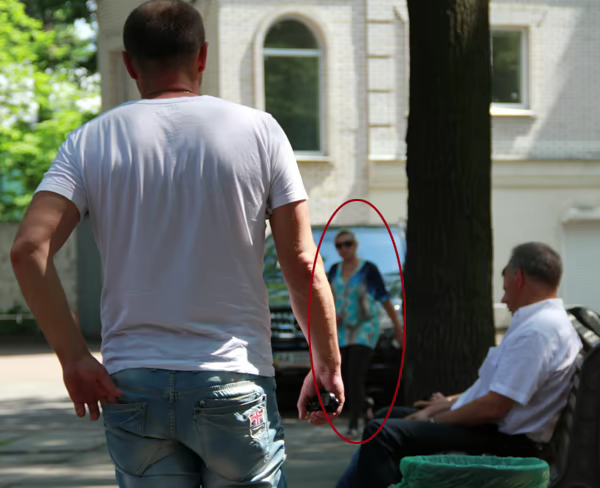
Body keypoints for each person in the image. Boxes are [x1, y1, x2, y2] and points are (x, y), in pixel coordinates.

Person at [10, 1, 343, 487]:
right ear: (203, 55)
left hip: (133, 384)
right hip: (232, 376)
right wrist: (326, 360)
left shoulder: (89, 142)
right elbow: (300, 262)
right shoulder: (260, 131)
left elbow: (27, 250)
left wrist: (74, 357)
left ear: (129, 64)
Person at [337, 242, 582, 488]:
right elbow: (495, 389)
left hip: (507, 441)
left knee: (382, 433)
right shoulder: (541, 324)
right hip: (496, 430)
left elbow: (494, 407)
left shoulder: (537, 331)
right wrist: (447, 403)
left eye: (505, 286)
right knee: (385, 418)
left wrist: (433, 420)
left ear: (518, 277)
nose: (503, 298)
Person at [327, 230, 403, 439]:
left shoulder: (368, 269)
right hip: (342, 329)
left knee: (355, 374)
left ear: (356, 245)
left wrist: (398, 327)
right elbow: (327, 298)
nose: (344, 249)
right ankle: (366, 404)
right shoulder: (334, 270)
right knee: (344, 375)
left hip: (365, 327)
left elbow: (384, 298)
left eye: (348, 244)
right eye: (339, 245)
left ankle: (354, 422)